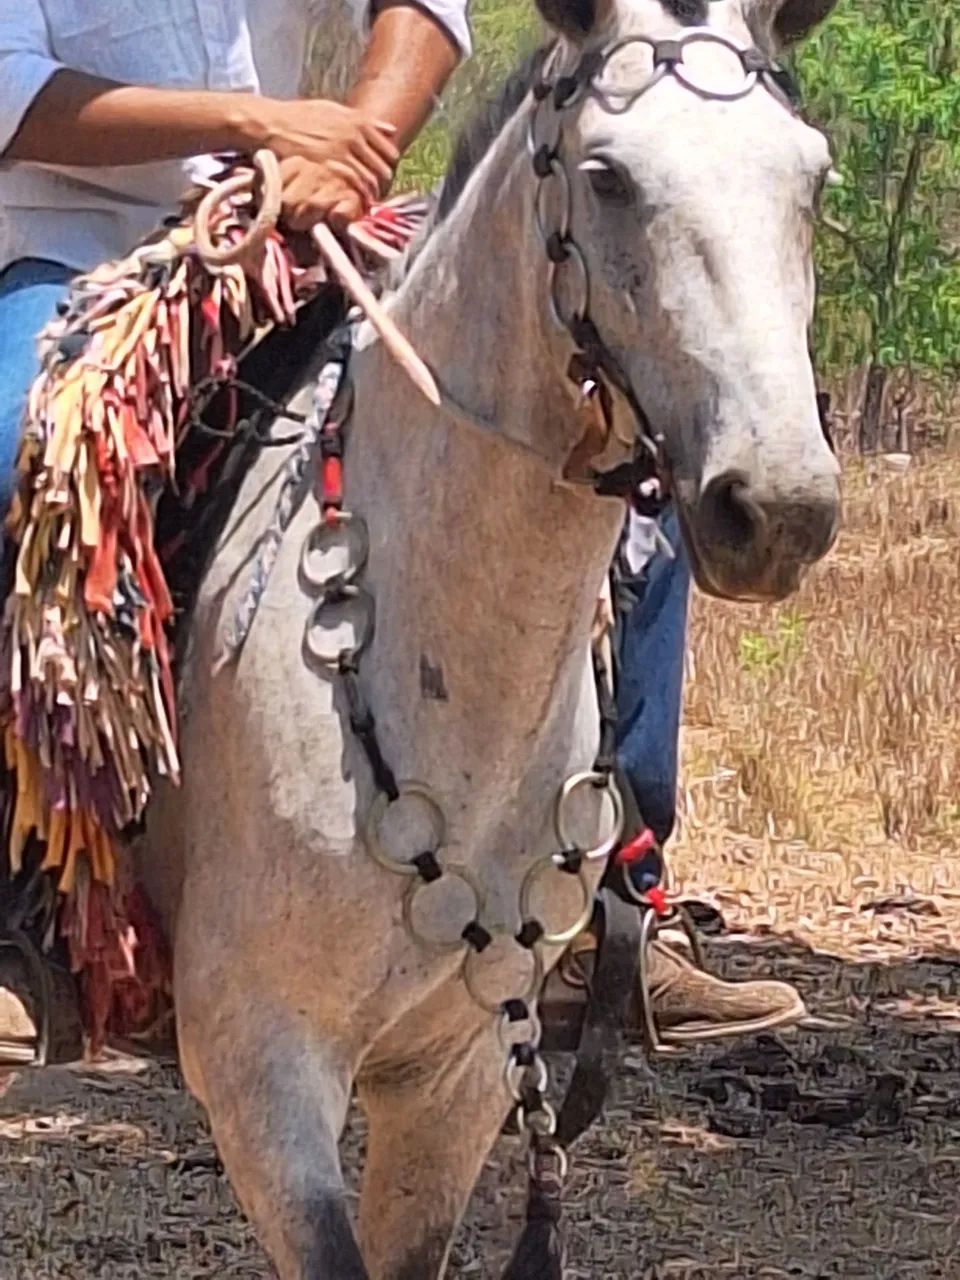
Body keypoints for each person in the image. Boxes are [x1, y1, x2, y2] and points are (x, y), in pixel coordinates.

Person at [0, 2, 804, 1061]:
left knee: (613, 451)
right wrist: (262, 124)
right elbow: (12, 93)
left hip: (303, 229)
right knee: (17, 448)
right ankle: (26, 914)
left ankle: (604, 893)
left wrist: (363, 140)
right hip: (76, 250)